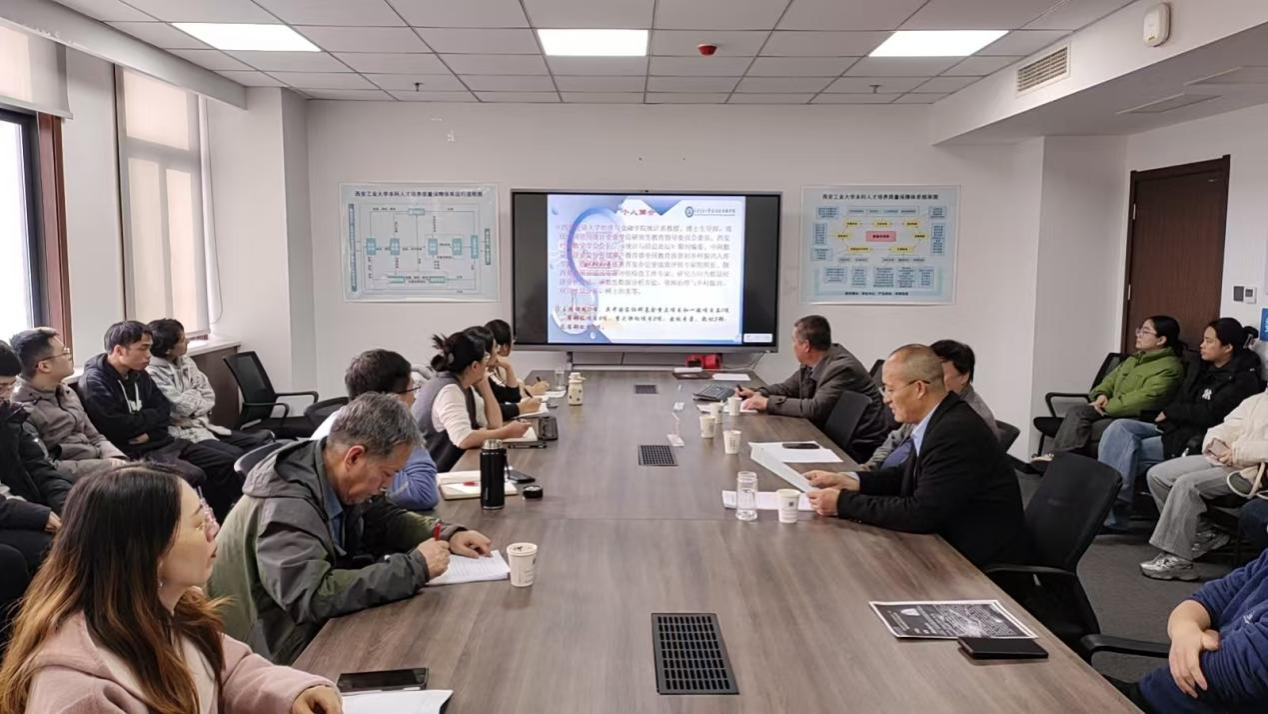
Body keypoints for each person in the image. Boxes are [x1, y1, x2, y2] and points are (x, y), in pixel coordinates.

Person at [0, 465, 341, 714]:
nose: (214, 531)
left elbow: (228, 670)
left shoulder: (170, 612)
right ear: (148, 551)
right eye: (199, 522)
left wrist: (292, 693)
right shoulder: (81, 693)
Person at [209, 393, 492, 665]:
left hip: (297, 630)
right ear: (354, 457)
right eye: (387, 473)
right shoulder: (286, 504)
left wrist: (445, 533)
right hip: (262, 651)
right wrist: (414, 568)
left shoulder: (329, 470)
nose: (388, 485)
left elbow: (384, 518)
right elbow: (311, 596)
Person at [804, 345, 1026, 566]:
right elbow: (906, 475)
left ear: (919, 388)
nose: (885, 399)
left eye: (890, 389)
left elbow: (922, 513)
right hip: (947, 540)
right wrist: (853, 481)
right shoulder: (940, 418)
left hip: (970, 562)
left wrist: (843, 503)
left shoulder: (955, 431)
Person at [1098, 319, 1262, 530]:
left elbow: (1210, 415)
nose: (1202, 345)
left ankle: (1112, 511)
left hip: (1194, 438)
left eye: (1209, 341)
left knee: (1125, 453)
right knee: (1119, 428)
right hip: (1174, 426)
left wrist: (1172, 412)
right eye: (1203, 339)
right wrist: (1173, 412)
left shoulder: (1241, 380)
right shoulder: (1200, 365)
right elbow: (1181, 399)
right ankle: (1111, 503)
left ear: (1228, 347)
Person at [79, 321, 241, 519]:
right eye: (143, 348)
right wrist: (149, 422)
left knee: (225, 462)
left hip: (162, 441)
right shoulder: (95, 382)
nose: (149, 355)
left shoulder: (139, 373)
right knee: (193, 475)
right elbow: (116, 427)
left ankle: (219, 522)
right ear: (119, 350)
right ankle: (191, 525)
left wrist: (149, 432)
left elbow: (164, 410)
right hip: (135, 452)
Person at [1108, 546, 1268, 713]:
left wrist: (1199, 632)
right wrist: (1186, 630)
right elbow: (1206, 599)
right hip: (1154, 694)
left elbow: (1228, 670)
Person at [1138, 390, 1268, 581]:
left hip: (1254, 471)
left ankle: (1179, 560)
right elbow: (1226, 426)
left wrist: (1238, 452)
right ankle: (1204, 534)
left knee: (1187, 485)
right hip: (1227, 459)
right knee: (1159, 475)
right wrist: (1216, 443)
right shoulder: (1258, 400)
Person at [1033, 315, 1185, 463]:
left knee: (1087, 429)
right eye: (1139, 330)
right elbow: (1110, 380)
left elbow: (1147, 399)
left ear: (1161, 340)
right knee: (1078, 411)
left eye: (1145, 332)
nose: (1138, 335)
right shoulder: (1134, 358)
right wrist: (1101, 395)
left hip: (1136, 416)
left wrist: (1107, 407)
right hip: (1111, 408)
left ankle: (1062, 462)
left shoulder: (1170, 367)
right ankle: (1061, 460)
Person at [736, 315, 887, 461]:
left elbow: (815, 408)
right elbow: (788, 388)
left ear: (806, 346)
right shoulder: (814, 362)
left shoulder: (842, 368)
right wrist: (757, 393)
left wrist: (767, 403)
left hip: (855, 447)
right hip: (830, 435)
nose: (792, 346)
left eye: (794, 341)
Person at [310, 349, 439, 511]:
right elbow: (424, 493)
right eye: (411, 391)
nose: (414, 399)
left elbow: (376, 512)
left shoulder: (349, 422)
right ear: (393, 400)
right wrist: (402, 423)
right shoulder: (366, 441)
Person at [861, 339, 999, 472]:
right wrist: (868, 470)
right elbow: (895, 439)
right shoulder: (928, 401)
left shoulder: (971, 421)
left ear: (964, 376)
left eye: (939, 375)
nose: (931, 381)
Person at [11, 327, 129, 480]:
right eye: (64, 352)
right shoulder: (22, 411)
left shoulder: (66, 391)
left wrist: (117, 459)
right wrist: (107, 467)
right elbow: (47, 466)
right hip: (76, 479)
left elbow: (95, 436)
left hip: (102, 466)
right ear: (44, 366)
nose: (70, 355)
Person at [146, 319, 272, 454]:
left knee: (258, 443)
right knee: (234, 454)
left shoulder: (186, 361)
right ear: (167, 349)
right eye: (182, 340)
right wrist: (194, 395)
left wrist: (191, 401)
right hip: (181, 433)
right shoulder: (152, 372)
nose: (188, 341)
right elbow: (180, 409)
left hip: (202, 425)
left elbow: (208, 394)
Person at [413, 331, 531, 472]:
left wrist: (483, 383)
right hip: (436, 475)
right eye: (485, 358)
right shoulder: (449, 390)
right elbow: (464, 438)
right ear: (475, 366)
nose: (487, 364)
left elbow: (494, 424)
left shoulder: (460, 384)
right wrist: (507, 432)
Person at [0, 341, 72, 516]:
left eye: (11, 386)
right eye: (1, 387)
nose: (6, 395)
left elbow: (39, 467)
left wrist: (68, 505)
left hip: (23, 507)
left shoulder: (9, 416)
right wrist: (38, 516)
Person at [467, 324, 541, 420]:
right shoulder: (473, 379)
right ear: (485, 353)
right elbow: (488, 412)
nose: (498, 350)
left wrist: (508, 368)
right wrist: (521, 408)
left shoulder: (484, 376)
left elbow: (513, 397)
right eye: (495, 347)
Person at [486, 319, 549, 397]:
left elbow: (515, 386)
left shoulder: (499, 364)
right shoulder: (488, 370)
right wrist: (533, 390)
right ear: (505, 346)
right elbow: (509, 396)